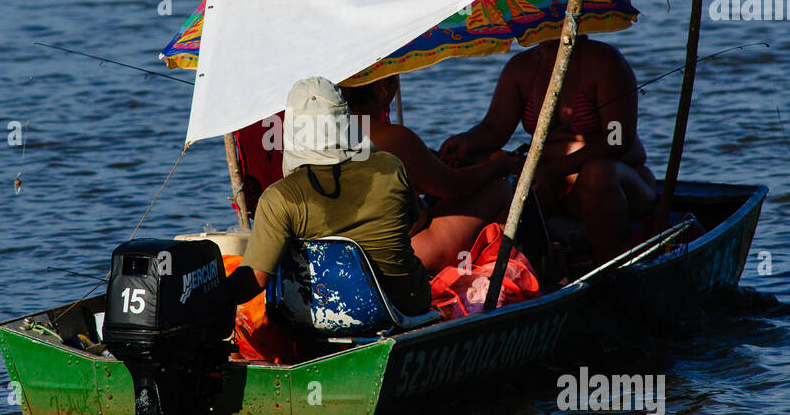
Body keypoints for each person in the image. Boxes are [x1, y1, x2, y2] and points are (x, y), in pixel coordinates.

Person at [225, 76, 432, 319]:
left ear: (291, 127)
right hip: (408, 303)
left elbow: (255, 279)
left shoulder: (279, 197)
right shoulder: (391, 167)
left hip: (323, 314)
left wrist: (208, 297)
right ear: (345, 118)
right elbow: (413, 221)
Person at [440, 35, 656, 264]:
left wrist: (555, 170)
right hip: (549, 186)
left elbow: (618, 139)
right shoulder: (521, 68)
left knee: (597, 173)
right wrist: (466, 142)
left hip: (617, 182)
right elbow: (494, 128)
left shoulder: (605, 61)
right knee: (492, 162)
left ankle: (611, 268)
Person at [339, 75, 521, 273]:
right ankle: (497, 281)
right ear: (383, 87)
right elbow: (453, 185)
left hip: (349, 255)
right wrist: (499, 164)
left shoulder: (320, 134)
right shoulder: (393, 137)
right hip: (403, 254)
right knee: (500, 189)